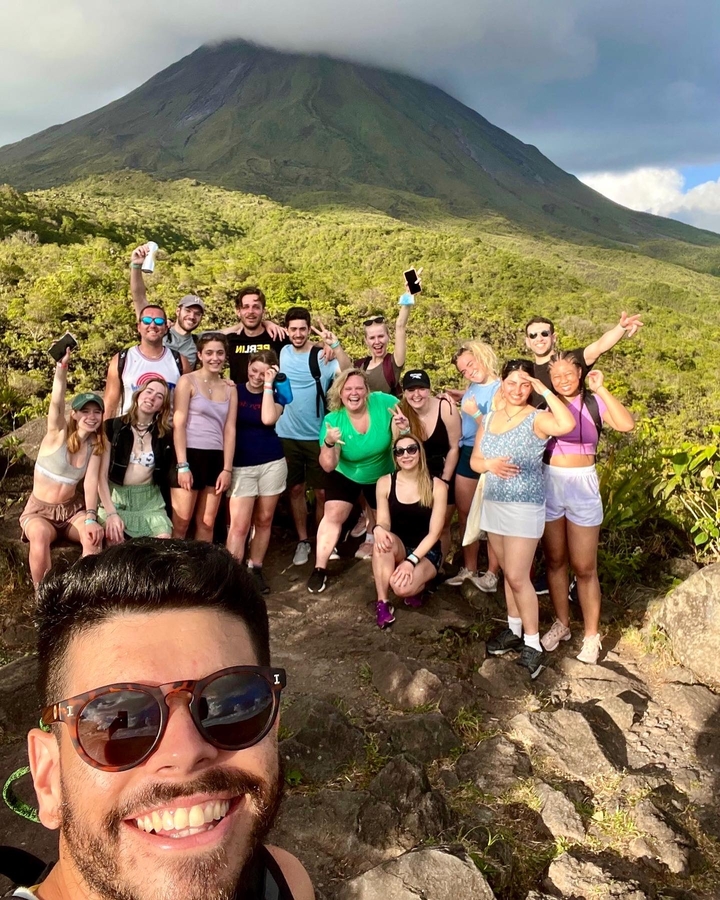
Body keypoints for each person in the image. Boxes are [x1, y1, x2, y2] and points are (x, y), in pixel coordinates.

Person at [21, 539, 314, 899]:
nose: (185, 752)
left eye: (230, 703)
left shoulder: (283, 880)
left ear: (274, 726)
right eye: (119, 720)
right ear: (48, 779)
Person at [470, 359, 575, 679]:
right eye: (512, 383)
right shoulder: (488, 419)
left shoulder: (538, 418)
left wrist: (545, 388)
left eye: (524, 384)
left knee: (518, 576)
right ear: (501, 383)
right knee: (507, 574)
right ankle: (514, 629)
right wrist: (490, 465)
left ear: (531, 388)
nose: (517, 390)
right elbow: (475, 461)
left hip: (525, 506)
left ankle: (533, 644)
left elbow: (567, 424)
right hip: (495, 504)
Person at [540, 356, 635, 664]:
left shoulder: (593, 404)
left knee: (584, 567)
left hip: (582, 485)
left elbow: (626, 424)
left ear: (580, 373)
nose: (564, 379)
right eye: (557, 376)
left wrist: (602, 389)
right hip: (550, 481)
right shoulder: (547, 404)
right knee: (555, 560)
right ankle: (562, 623)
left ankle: (591, 636)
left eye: (569, 373)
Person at [308, 369, 409, 594]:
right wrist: (329, 442)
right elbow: (327, 465)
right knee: (333, 513)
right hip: (346, 472)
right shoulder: (333, 420)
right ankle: (319, 567)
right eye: (348, 389)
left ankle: (391, 562)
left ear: (367, 391)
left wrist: (405, 426)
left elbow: (404, 432)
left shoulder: (385, 403)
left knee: (385, 518)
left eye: (359, 388)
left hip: (381, 472)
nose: (354, 393)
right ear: (340, 393)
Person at [19, 350, 104, 585]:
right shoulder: (56, 434)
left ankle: (85, 593)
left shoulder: (95, 446)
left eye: (96, 412)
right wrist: (61, 369)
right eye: (85, 411)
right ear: (74, 415)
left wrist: (90, 517)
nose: (91, 416)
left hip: (70, 511)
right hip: (40, 511)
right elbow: (56, 402)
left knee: (93, 538)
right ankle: (43, 599)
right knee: (38, 537)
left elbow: (90, 482)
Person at [275, 307, 351, 567]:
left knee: (320, 492)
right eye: (293, 329)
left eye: (302, 329)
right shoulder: (281, 353)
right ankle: (303, 540)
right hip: (286, 433)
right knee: (295, 489)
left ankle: (322, 539)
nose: (297, 334)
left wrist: (335, 345)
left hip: (317, 434)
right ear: (286, 330)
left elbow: (349, 372)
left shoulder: (322, 357)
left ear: (308, 329)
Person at [227, 350, 289, 595]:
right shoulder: (234, 390)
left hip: (271, 462)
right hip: (241, 465)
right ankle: (232, 573)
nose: (256, 377)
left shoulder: (279, 392)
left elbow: (267, 418)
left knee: (264, 520)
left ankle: (255, 569)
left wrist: (268, 385)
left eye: (263, 373)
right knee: (239, 525)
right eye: (254, 371)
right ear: (248, 367)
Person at [443, 341, 501, 591]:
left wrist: (475, 412)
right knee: (465, 513)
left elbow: (499, 429)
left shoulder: (500, 388)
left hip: (489, 454)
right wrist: (462, 395)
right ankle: (469, 567)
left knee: (492, 517)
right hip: (467, 450)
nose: (468, 371)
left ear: (481, 355)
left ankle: (491, 573)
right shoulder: (473, 386)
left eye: (470, 364)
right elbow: (473, 403)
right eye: (463, 370)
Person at [85, 378, 174, 543]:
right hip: (116, 500)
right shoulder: (112, 427)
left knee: (163, 543)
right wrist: (111, 514)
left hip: (150, 503)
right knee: (116, 544)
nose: (152, 397)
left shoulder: (165, 435)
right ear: (138, 395)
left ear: (162, 406)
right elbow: (101, 476)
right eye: (149, 391)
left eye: (159, 396)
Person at [372, 435, 447, 628]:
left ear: (420, 452)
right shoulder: (385, 482)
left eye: (411, 449)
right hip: (400, 545)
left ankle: (421, 585)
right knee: (382, 541)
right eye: (400, 451)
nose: (406, 455)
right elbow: (383, 522)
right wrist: (378, 529)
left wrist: (410, 562)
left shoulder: (436, 485)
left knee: (401, 587)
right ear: (395, 457)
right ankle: (382, 603)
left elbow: (435, 533)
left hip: (426, 552)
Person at [170, 333, 237, 541]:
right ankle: (173, 572)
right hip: (188, 455)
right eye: (209, 353)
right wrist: (182, 465)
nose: (214, 358)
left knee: (207, 523)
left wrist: (227, 469)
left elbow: (230, 429)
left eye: (219, 353)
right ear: (199, 355)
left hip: (216, 457)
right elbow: (178, 423)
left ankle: (201, 572)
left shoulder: (230, 388)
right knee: (181, 522)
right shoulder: (187, 381)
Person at [399, 369, 460, 561]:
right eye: (411, 390)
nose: (416, 395)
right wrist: (404, 430)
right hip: (416, 474)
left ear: (429, 389)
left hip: (445, 470)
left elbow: (454, 447)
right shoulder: (400, 413)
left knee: (442, 525)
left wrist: (445, 481)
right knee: (419, 523)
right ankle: (417, 562)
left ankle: (438, 567)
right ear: (404, 392)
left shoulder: (445, 408)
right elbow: (401, 452)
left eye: (421, 389)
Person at [525, 311, 644, 396]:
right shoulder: (525, 371)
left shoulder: (570, 360)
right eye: (533, 335)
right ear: (527, 341)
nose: (539, 339)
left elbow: (600, 346)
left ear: (554, 337)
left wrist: (621, 328)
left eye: (544, 334)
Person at [103, 304, 192, 418]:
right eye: (147, 320)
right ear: (139, 327)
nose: (153, 325)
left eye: (159, 321)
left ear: (166, 328)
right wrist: (104, 434)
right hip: (128, 431)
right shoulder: (122, 359)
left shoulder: (180, 361)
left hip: (166, 432)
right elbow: (110, 405)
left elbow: (189, 407)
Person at [129, 243, 206, 368]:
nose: (192, 316)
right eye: (188, 310)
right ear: (178, 311)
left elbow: (229, 331)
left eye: (197, 314)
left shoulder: (198, 341)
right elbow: (139, 297)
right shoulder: (159, 328)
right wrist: (136, 265)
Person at [222, 286, 289, 384]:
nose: (250, 312)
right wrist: (236, 327)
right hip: (238, 398)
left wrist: (320, 345)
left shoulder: (278, 337)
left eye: (256, 307)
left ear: (263, 311)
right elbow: (203, 338)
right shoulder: (230, 340)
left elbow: (306, 347)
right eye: (245, 307)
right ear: (238, 311)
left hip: (270, 398)